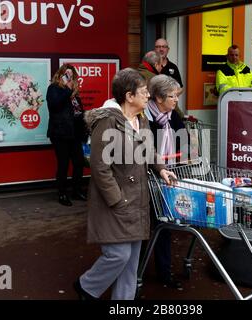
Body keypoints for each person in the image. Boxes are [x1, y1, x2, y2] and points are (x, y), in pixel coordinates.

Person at [74, 68, 176, 300]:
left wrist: (161, 169)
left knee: (130, 264)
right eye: (143, 92)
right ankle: (86, 287)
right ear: (129, 96)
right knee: (118, 255)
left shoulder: (141, 120)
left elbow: (149, 151)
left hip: (137, 200)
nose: (148, 96)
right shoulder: (107, 122)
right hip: (116, 202)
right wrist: (116, 199)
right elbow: (100, 167)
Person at [144, 74, 187, 289]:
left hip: (165, 179)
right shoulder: (144, 118)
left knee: (164, 225)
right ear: (159, 98)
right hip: (145, 180)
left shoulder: (173, 116)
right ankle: (135, 272)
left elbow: (185, 142)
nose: (176, 100)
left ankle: (164, 271)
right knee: (143, 227)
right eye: (172, 96)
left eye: (176, 95)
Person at [46, 64, 88, 207]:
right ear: (60, 75)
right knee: (63, 164)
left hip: (75, 133)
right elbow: (54, 105)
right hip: (60, 133)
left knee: (78, 162)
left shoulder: (74, 93)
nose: (69, 77)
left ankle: (76, 190)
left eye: (71, 75)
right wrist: (67, 89)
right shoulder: (54, 89)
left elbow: (78, 112)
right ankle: (62, 193)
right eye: (66, 75)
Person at [155, 38, 185, 118]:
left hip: (170, 110)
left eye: (164, 47)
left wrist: (170, 96)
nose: (161, 49)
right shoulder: (151, 66)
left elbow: (181, 88)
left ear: (168, 50)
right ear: (155, 49)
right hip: (153, 110)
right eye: (158, 47)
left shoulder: (173, 67)